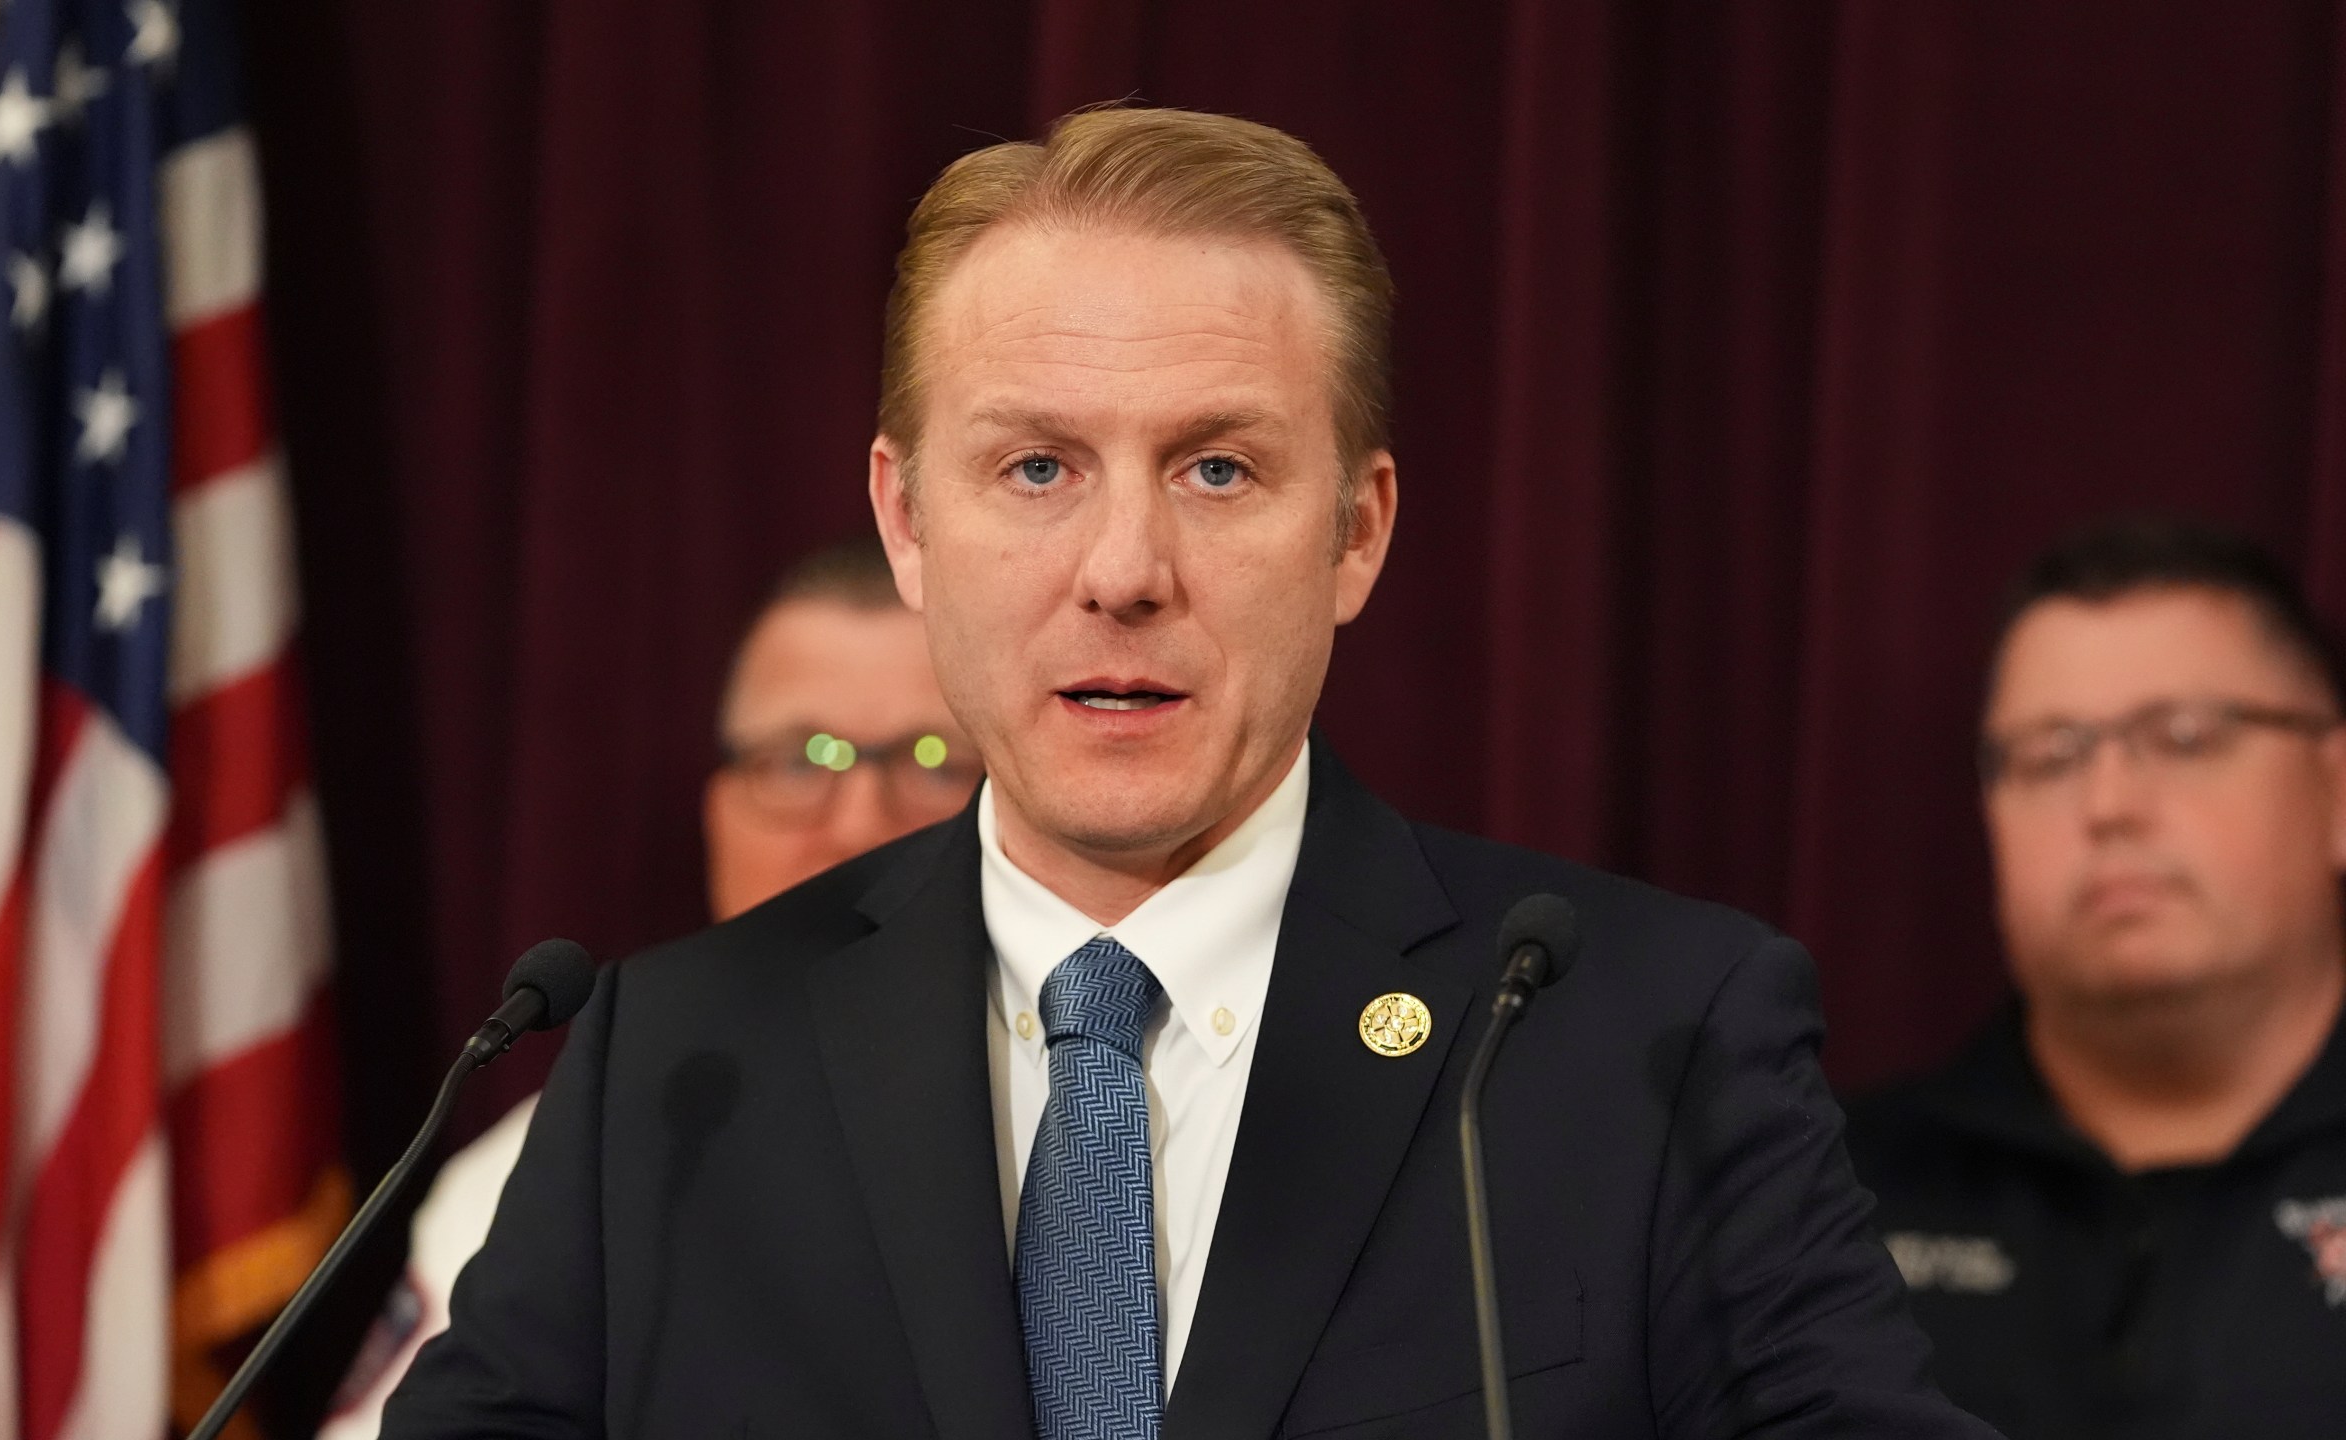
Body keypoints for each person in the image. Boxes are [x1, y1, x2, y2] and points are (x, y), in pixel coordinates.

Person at [385, 107, 1991, 1438]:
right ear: (907, 522)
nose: (1125, 568)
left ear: (1356, 531)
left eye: (1219, 468)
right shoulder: (672, 1065)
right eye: (1037, 468)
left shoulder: (1647, 1038)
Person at [319, 536, 978, 1440]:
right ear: (718, 812)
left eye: (934, 759)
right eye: (799, 760)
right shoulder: (569, 1159)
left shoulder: (1101, 1109)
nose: (858, 821)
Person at [1848, 519, 2346, 1439]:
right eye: (2050, 755)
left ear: (2337, 787)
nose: (2109, 804)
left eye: (2187, 737)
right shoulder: (1824, 1198)